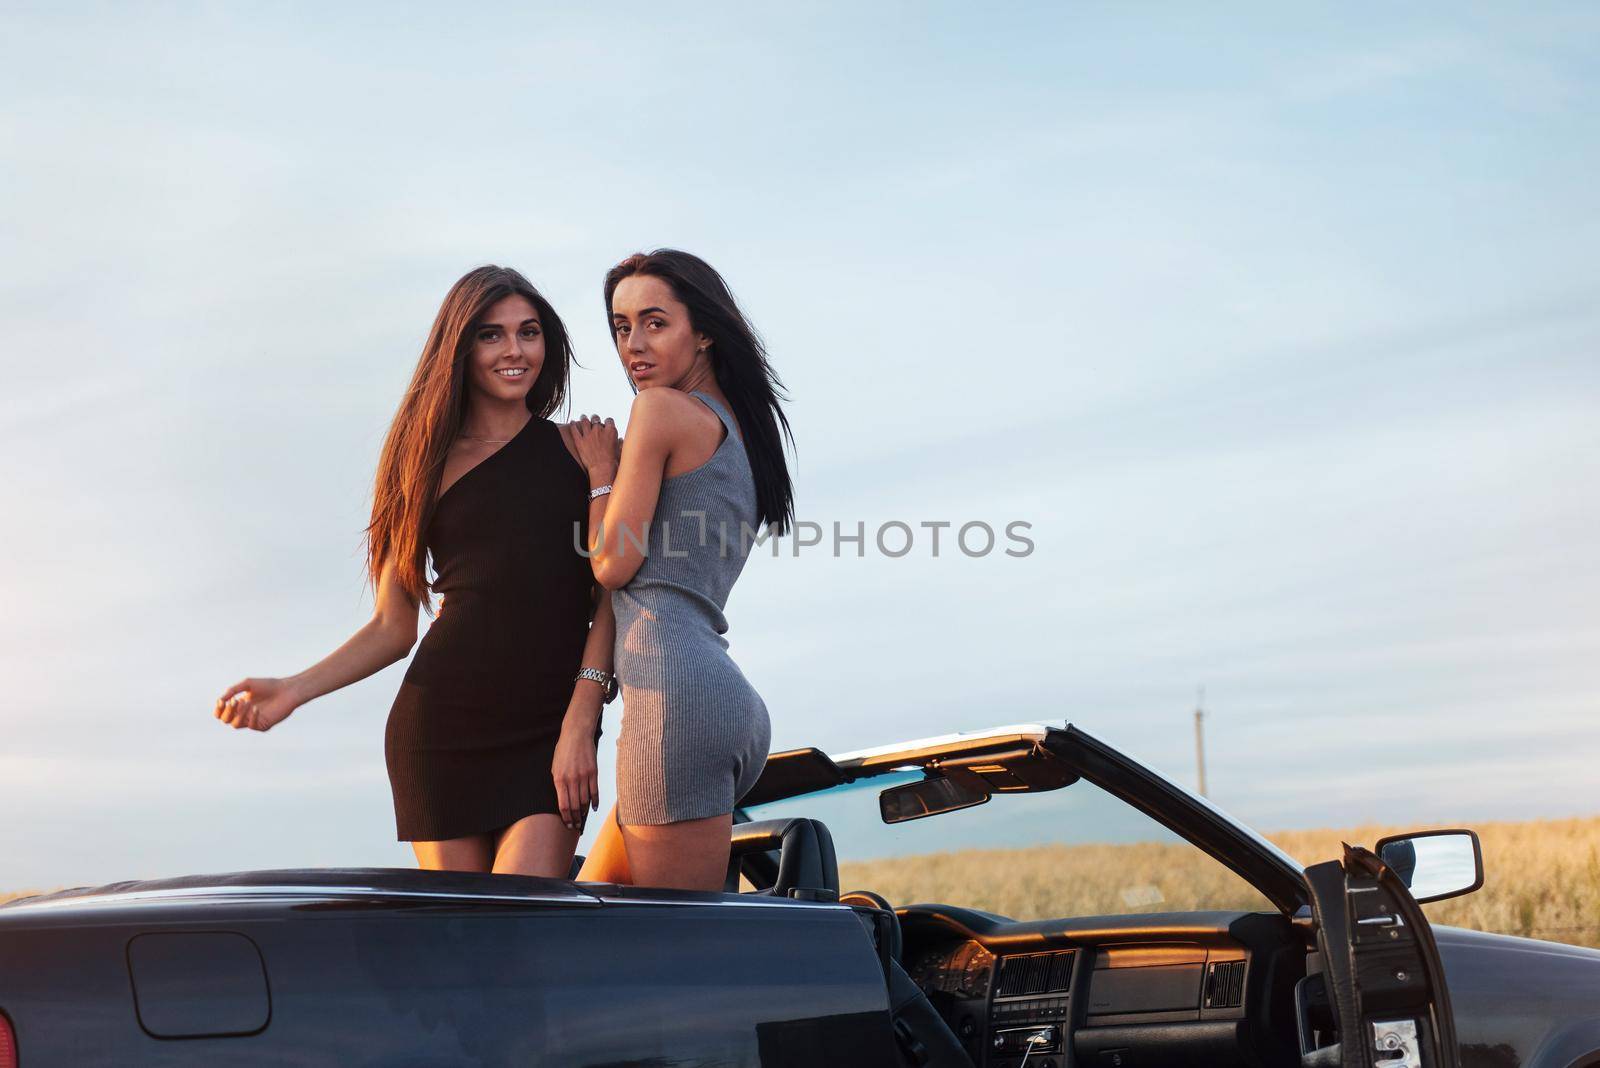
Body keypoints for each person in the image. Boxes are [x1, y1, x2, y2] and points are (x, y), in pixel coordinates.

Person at [213, 265, 620, 878]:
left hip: (550, 729)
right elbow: (393, 627)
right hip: (441, 732)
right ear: (459, 346)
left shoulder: (584, 452)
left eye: (529, 332)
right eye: (491, 335)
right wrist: (294, 689)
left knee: (528, 933)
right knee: (460, 954)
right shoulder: (419, 463)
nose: (515, 350)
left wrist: (581, 721)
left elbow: (614, 592)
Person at [571, 249, 794, 892]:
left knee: (681, 961)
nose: (633, 345)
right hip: (708, 696)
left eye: (654, 322)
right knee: (592, 915)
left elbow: (615, 565)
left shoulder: (661, 411)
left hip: (675, 704)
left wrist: (600, 475)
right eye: (620, 327)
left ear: (703, 331)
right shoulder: (742, 435)